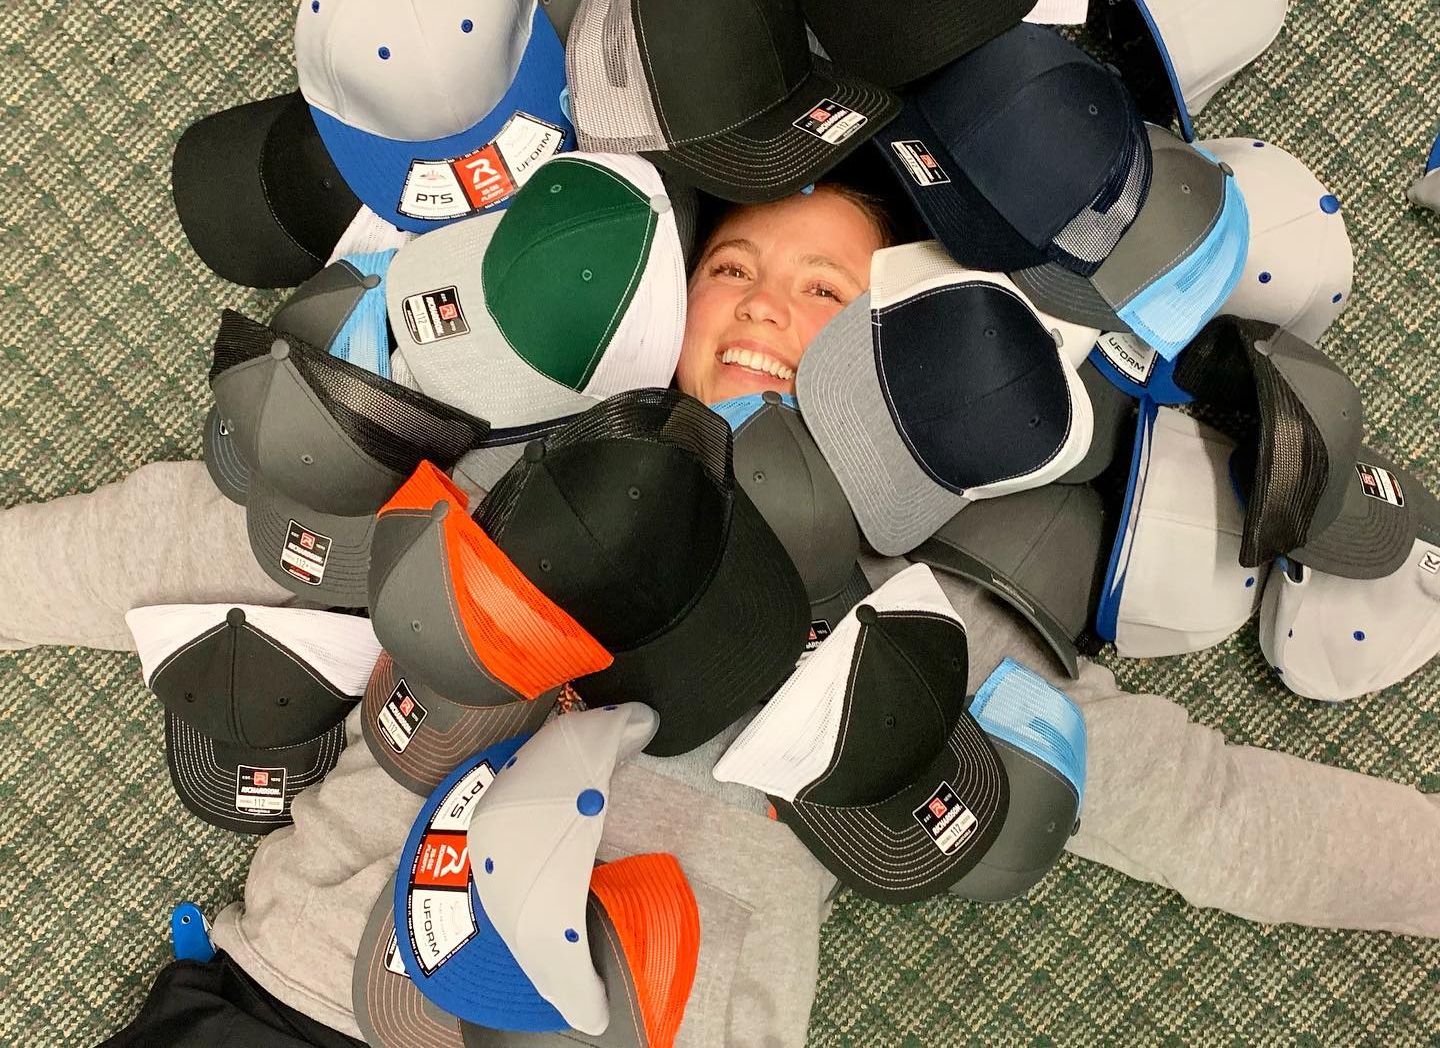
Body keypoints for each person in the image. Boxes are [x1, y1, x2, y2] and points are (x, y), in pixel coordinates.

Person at [3, 181, 1439, 944]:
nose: (761, 308)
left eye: (825, 292)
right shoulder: (501, 463)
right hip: (306, 996)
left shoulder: (925, 615)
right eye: (733, 268)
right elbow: (158, 537)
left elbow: (1214, 813)